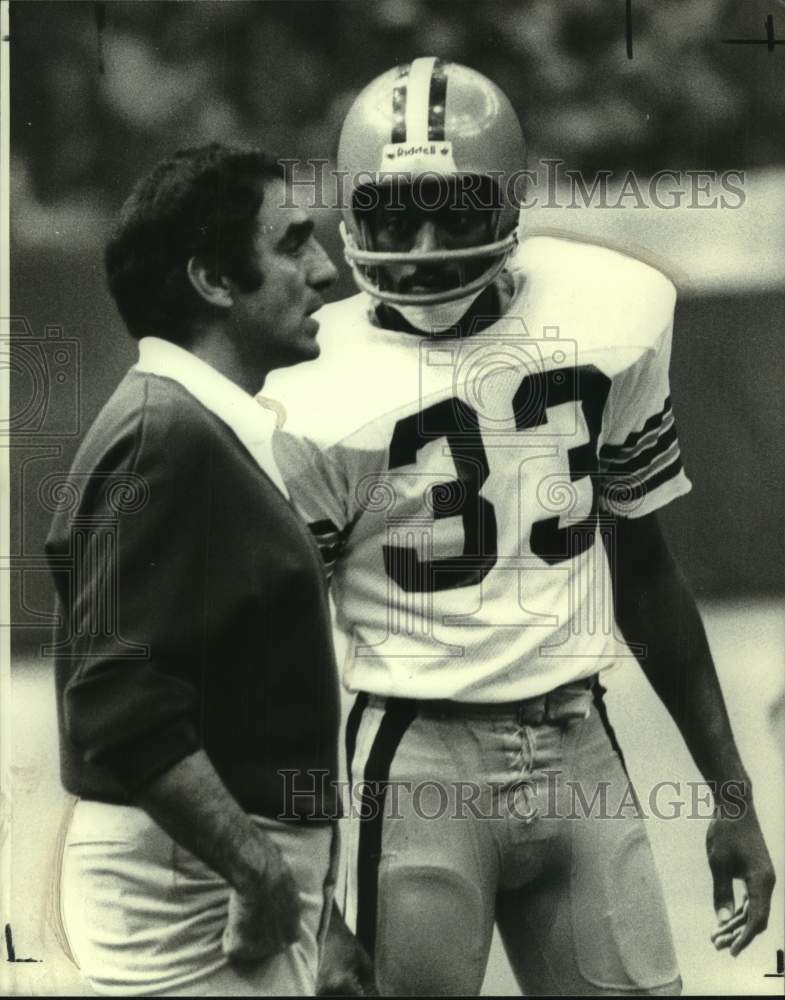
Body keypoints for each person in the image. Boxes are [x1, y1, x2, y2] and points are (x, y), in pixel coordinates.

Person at [265, 59, 776, 995]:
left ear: (508, 207)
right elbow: (271, 658)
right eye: (389, 217)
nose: (420, 248)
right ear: (348, 217)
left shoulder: (610, 314)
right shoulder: (301, 385)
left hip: (581, 736)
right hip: (415, 754)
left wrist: (730, 793)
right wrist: (308, 891)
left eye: (455, 212)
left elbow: (644, 573)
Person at [45, 142, 343, 996]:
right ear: (214, 280)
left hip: (203, 878)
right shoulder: (166, 438)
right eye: (292, 242)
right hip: (194, 891)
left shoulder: (188, 427)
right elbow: (117, 703)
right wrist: (256, 872)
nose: (323, 272)